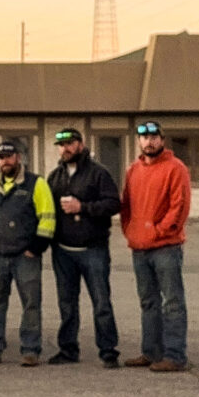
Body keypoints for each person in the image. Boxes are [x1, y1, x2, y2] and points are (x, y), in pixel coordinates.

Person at [0, 140, 55, 366]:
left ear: (18, 157)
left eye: (9, 156)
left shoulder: (36, 183)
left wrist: (36, 248)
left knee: (30, 304)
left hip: (25, 256)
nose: (5, 161)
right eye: (0, 158)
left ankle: (30, 350)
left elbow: (47, 216)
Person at [46, 127, 122, 369]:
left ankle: (108, 351)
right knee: (67, 303)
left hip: (93, 249)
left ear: (81, 144)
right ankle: (68, 349)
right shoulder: (55, 176)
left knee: (101, 302)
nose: (65, 148)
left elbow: (113, 204)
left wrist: (83, 207)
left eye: (69, 143)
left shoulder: (99, 173)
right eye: (61, 144)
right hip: (63, 251)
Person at [120, 120, 191, 372]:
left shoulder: (176, 168)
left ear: (162, 139)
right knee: (148, 302)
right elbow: (126, 205)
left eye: (154, 137)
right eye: (144, 137)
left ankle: (174, 355)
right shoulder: (133, 170)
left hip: (166, 247)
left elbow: (179, 207)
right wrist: (129, 230)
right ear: (138, 141)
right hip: (139, 248)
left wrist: (159, 231)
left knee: (172, 302)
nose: (149, 142)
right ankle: (151, 352)